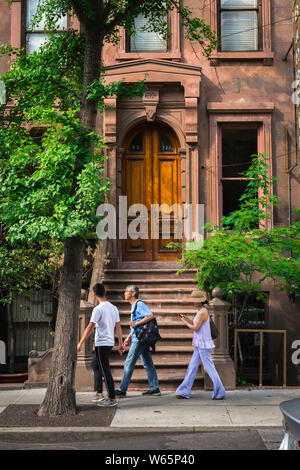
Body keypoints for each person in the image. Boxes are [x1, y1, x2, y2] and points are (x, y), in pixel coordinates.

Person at [77, 283, 124, 407]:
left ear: (94, 294)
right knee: (95, 365)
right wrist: (120, 343)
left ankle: (112, 398)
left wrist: (81, 342)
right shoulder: (114, 308)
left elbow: (90, 326)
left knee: (105, 370)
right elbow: (118, 327)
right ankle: (99, 394)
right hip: (108, 342)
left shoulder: (98, 309)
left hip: (101, 343)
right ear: (105, 292)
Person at [175, 290, 225, 400]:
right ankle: (183, 391)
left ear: (199, 301)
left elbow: (195, 328)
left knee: (209, 368)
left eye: (194, 300)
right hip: (199, 344)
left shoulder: (203, 312)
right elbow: (196, 323)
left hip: (203, 345)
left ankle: (220, 392)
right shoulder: (200, 311)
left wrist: (184, 322)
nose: (193, 302)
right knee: (192, 367)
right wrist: (186, 318)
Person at [115, 285, 161, 397]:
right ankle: (154, 388)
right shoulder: (134, 306)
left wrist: (137, 324)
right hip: (139, 338)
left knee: (129, 363)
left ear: (133, 293)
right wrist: (128, 337)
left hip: (139, 340)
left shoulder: (139, 304)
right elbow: (135, 324)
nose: (124, 293)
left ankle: (122, 389)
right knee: (148, 363)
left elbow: (150, 316)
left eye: (126, 291)